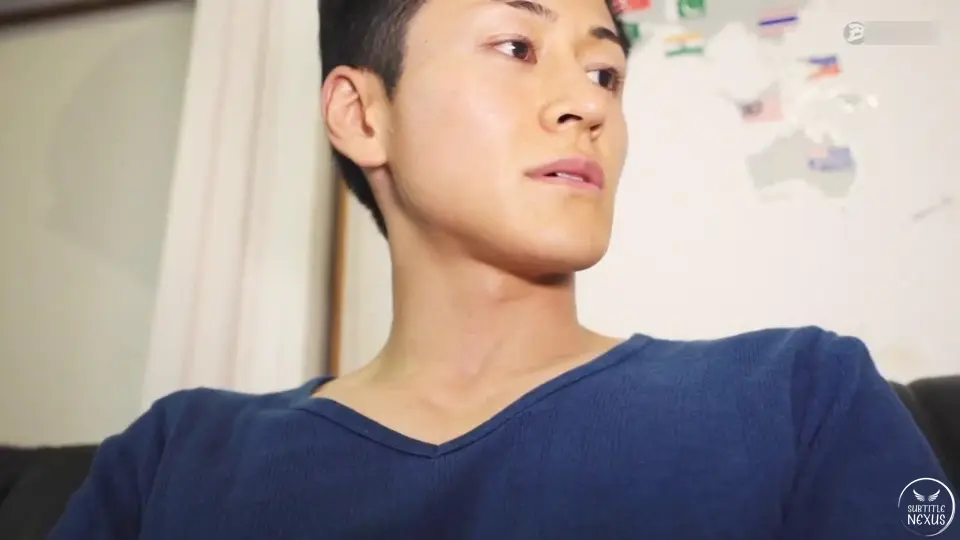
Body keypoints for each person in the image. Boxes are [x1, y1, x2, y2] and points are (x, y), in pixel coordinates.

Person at [51, 0, 954, 538]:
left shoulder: (799, 395)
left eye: (605, 73)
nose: (584, 105)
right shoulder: (176, 461)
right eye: (518, 48)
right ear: (362, 114)